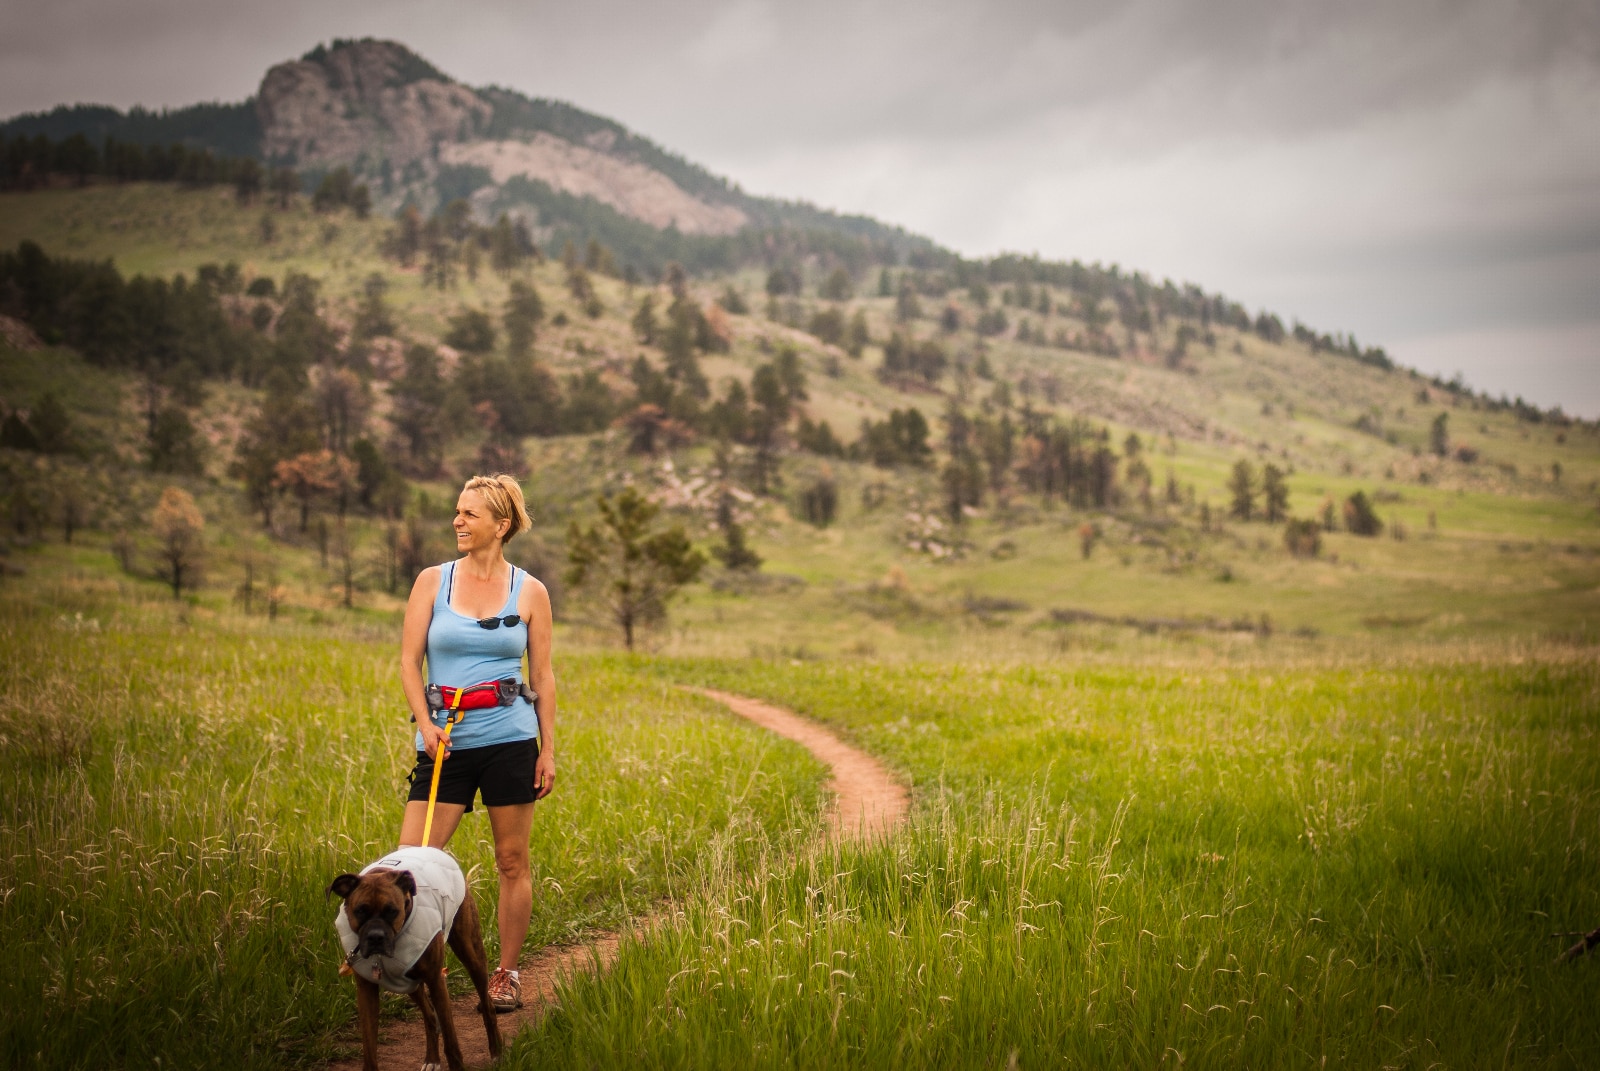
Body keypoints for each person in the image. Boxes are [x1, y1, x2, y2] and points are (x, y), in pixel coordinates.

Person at [398, 473, 556, 1012]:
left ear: (501, 524)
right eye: (457, 512)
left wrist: (548, 748)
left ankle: (506, 975)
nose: (457, 522)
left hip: (511, 738)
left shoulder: (530, 591)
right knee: (414, 862)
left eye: (468, 514)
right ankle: (422, 969)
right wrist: (424, 722)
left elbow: (545, 675)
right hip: (444, 741)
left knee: (512, 860)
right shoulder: (431, 581)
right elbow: (406, 661)